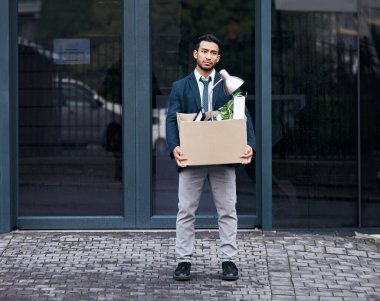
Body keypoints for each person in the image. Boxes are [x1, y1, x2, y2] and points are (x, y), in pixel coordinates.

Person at [165, 33, 256, 281]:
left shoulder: (227, 84)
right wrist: (174, 147)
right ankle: (183, 261)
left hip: (223, 157)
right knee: (186, 211)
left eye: (214, 53)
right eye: (204, 51)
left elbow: (242, 115)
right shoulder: (180, 87)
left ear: (218, 57)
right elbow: (172, 119)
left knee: (227, 210)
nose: (208, 56)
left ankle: (229, 260)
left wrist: (249, 145)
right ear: (196, 54)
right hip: (192, 157)